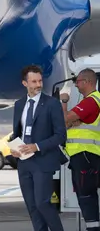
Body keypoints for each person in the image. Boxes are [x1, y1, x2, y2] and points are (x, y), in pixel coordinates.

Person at [10, 65, 66, 231]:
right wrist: (14, 149)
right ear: (24, 83)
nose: (38, 84)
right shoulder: (19, 104)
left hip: (43, 162)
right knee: (32, 207)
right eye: (34, 81)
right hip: (24, 163)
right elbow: (17, 133)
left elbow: (61, 136)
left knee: (43, 203)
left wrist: (37, 146)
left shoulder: (52, 104)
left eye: (40, 81)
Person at [60, 68, 100, 230]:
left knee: (86, 196)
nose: (76, 85)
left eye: (78, 81)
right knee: (86, 196)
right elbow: (70, 122)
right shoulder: (88, 101)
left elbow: (64, 121)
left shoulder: (92, 100)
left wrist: (64, 101)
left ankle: (93, 229)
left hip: (85, 155)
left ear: (88, 82)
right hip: (83, 156)